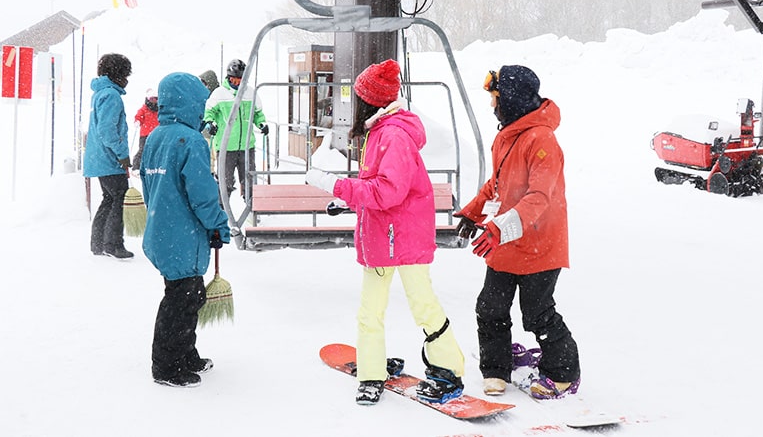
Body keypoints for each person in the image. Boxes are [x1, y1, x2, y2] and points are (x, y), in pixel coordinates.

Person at [305, 59, 465, 406]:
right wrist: (348, 201)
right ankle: (372, 372)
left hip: (402, 238)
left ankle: (447, 369)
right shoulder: (381, 130)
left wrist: (334, 185)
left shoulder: (392, 135)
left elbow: (387, 192)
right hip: (384, 236)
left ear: (372, 100)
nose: (354, 105)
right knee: (370, 310)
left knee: (423, 306)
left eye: (359, 97)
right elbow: (379, 187)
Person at [454, 65, 580, 399]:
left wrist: (498, 228)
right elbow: (497, 185)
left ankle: (564, 373)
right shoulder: (507, 135)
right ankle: (496, 370)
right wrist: (474, 212)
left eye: (496, 98)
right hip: (505, 241)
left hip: (540, 243)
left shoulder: (542, 141)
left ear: (510, 99)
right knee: (490, 307)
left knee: (537, 313)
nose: (492, 106)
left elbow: (539, 197)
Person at [140, 72, 231, 388]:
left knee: (187, 296)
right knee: (181, 301)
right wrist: (217, 223)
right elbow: (202, 194)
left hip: (163, 232)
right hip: (182, 235)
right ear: (191, 104)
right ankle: (166, 365)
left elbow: (148, 184)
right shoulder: (191, 141)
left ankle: (186, 354)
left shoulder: (156, 136)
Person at [84, 53, 134, 259]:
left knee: (108, 199)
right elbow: (108, 131)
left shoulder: (100, 93)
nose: (127, 79)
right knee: (119, 199)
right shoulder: (111, 96)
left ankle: (98, 243)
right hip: (109, 159)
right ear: (117, 74)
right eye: (125, 74)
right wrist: (122, 155)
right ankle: (113, 245)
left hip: (98, 158)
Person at [203, 59, 269, 197]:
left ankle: (250, 204)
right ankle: (221, 208)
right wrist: (210, 124)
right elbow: (209, 112)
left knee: (249, 179)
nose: (237, 83)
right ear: (228, 78)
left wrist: (261, 123)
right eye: (234, 80)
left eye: (240, 80)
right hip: (226, 146)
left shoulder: (250, 93)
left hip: (246, 145)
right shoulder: (219, 93)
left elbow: (257, 113)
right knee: (225, 181)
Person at [131, 89, 159, 173]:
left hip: (156, 134)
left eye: (156, 99)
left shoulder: (159, 109)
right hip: (145, 134)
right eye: (152, 99)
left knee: (156, 150)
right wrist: (138, 121)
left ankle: (153, 167)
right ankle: (136, 167)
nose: (154, 101)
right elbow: (138, 116)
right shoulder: (144, 109)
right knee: (142, 150)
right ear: (147, 99)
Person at [198, 70, 219, 174]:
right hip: (206, 132)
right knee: (208, 156)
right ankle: (210, 173)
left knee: (218, 155)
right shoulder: (202, 96)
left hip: (218, 132)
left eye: (204, 83)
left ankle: (222, 177)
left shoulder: (218, 95)